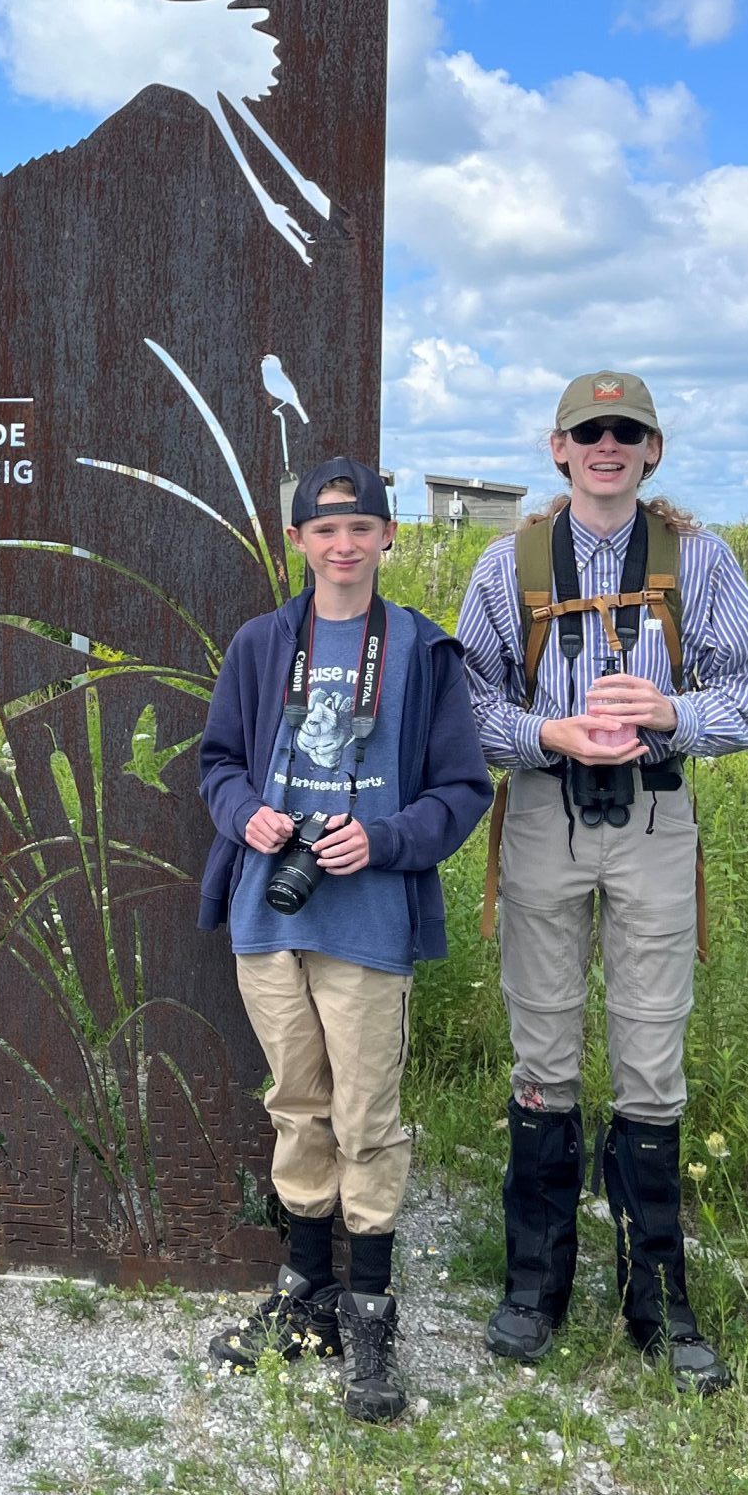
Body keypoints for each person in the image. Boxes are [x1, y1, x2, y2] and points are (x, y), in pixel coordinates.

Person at [457, 374, 748, 1391]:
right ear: (558, 448)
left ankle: (658, 1298)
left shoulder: (703, 562)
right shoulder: (508, 564)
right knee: (542, 1045)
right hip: (546, 811)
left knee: (652, 1052)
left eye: (625, 432)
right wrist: (542, 730)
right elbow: (461, 702)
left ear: (652, 451)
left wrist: (673, 712)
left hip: (650, 812)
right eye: (590, 431)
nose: (607, 444)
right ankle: (533, 1285)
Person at [198, 458, 492, 1420]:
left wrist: (387, 839)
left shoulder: (421, 650)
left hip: (367, 921)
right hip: (268, 913)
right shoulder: (258, 643)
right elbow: (218, 764)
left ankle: (372, 1314)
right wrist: (247, 816)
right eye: (324, 531)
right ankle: (304, 1295)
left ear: (387, 536)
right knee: (296, 1104)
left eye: (360, 528)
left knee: (367, 1119)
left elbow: (461, 792)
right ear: (298, 542)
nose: (342, 544)